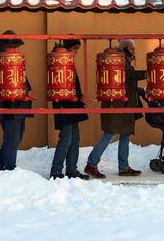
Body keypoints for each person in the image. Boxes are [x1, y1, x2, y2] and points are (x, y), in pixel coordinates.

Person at [84, 39, 146, 178]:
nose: (133, 51)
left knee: (125, 135)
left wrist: (139, 90)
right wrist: (148, 73)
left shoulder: (124, 61)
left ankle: (123, 167)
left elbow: (126, 82)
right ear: (124, 48)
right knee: (110, 134)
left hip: (125, 105)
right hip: (116, 104)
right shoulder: (118, 61)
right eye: (131, 48)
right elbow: (128, 76)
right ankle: (91, 164)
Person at [0, 30, 36, 172]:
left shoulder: (10, 59)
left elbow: (18, 81)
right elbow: (8, 85)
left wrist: (27, 92)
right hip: (8, 104)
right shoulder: (0, 60)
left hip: (18, 104)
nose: (17, 50)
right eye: (15, 47)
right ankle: (10, 170)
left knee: (15, 137)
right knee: (12, 139)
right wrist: (25, 93)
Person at [49, 39, 90, 180]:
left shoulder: (69, 63)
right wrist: (79, 96)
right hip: (64, 105)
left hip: (72, 105)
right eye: (74, 48)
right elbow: (63, 85)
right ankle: (56, 171)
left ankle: (71, 169)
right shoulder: (60, 62)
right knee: (66, 139)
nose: (76, 52)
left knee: (75, 138)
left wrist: (79, 97)